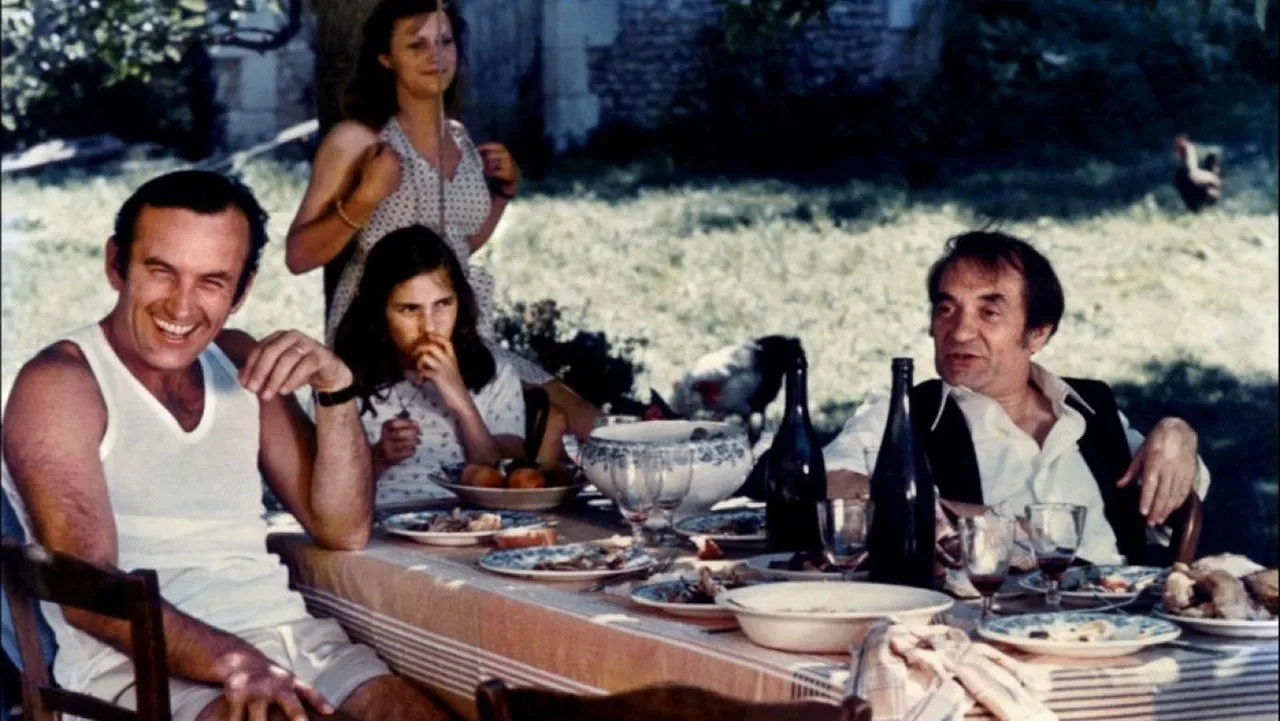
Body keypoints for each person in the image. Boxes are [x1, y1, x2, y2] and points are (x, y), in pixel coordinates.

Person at [0, 170, 451, 721]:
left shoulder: (240, 360)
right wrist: (236, 662)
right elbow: (89, 597)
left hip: (288, 638)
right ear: (116, 264)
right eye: (161, 272)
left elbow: (343, 527)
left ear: (242, 290)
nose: (181, 307)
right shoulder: (63, 382)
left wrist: (336, 387)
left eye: (212, 282)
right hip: (138, 667)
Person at [284, 0, 601, 440]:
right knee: (535, 430)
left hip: (459, 329)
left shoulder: (458, 136)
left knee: (586, 421)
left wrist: (503, 193)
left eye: (445, 41)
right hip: (382, 335)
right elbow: (298, 256)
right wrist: (365, 198)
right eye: (417, 45)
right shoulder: (357, 140)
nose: (436, 56)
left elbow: (453, 248)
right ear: (385, 57)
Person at [823, 231, 1210, 565]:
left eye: (989, 312)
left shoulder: (1089, 407)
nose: (959, 332)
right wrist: (986, 522)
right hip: (985, 620)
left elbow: (1176, 484)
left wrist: (1178, 434)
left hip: (1119, 614)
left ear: (1038, 333)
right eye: (946, 309)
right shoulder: (904, 414)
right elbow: (828, 486)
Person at [333, 225, 566, 507]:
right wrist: (379, 456)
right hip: (377, 523)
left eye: (443, 304)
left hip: (474, 523)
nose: (429, 326)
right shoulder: (341, 381)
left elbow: (508, 485)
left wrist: (461, 401)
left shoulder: (496, 376)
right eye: (409, 309)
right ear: (379, 313)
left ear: (460, 302)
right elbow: (329, 497)